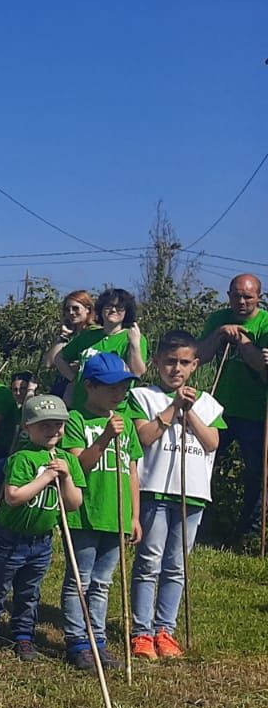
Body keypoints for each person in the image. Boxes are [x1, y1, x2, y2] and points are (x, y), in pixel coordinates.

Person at [0, 394, 86, 662]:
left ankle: (23, 635)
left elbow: (74, 503)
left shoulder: (67, 460)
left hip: (41, 541)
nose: (53, 431)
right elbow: (13, 497)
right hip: (10, 537)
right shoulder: (22, 458)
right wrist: (45, 477)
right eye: (45, 425)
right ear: (27, 428)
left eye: (58, 425)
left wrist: (65, 477)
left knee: (30, 592)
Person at [130, 331, 225, 659]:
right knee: (149, 561)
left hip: (192, 493)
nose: (176, 369)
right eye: (170, 362)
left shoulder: (208, 403)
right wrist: (173, 409)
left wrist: (191, 411)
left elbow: (212, 442)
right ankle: (142, 631)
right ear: (157, 362)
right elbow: (144, 436)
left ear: (195, 365)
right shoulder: (143, 396)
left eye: (184, 363)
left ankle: (164, 629)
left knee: (176, 565)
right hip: (156, 488)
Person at [61, 352, 142, 672]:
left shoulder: (127, 425)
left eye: (123, 387)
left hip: (117, 514)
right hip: (86, 511)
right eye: (111, 387)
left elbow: (133, 471)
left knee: (103, 582)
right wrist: (106, 436)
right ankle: (78, 640)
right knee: (79, 580)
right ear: (90, 386)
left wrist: (135, 515)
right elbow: (79, 465)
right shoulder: (77, 420)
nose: (118, 393)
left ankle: (97, 638)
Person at [198, 273, 268, 548]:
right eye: (236, 295)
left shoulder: (265, 323)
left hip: (257, 412)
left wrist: (243, 342)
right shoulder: (218, 319)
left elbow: (262, 370)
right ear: (228, 295)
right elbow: (199, 357)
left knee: (257, 474)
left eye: (248, 296)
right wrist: (218, 335)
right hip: (220, 409)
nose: (241, 301)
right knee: (205, 465)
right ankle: (202, 524)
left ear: (259, 297)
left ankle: (248, 535)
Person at [54, 288, 148, 412]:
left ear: (127, 312)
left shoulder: (133, 337)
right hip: (81, 406)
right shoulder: (88, 335)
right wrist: (74, 378)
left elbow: (137, 372)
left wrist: (135, 344)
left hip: (115, 410)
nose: (113, 310)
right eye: (108, 306)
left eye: (119, 307)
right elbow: (59, 358)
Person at [45, 289, 97, 399]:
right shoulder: (70, 336)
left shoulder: (94, 334)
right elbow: (49, 363)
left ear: (87, 309)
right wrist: (64, 335)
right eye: (67, 310)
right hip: (63, 388)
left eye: (75, 308)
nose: (71, 313)